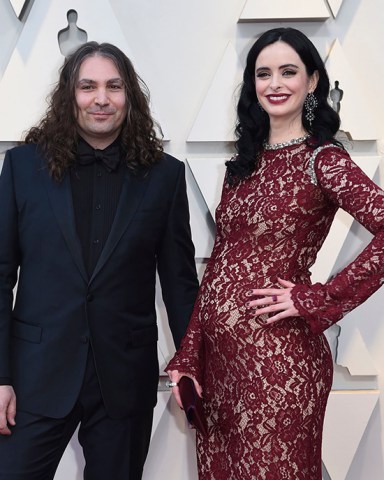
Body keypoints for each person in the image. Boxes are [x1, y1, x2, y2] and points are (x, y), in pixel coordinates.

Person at [166, 27, 384, 480]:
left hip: (280, 367)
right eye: (263, 74)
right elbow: (221, 266)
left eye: (289, 71)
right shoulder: (241, 165)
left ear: (314, 81)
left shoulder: (323, 159)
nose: (275, 83)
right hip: (223, 370)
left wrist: (315, 298)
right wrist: (189, 355)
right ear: (252, 85)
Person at [0, 41, 198, 479]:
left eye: (114, 86)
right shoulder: (20, 168)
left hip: (125, 378)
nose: (101, 98)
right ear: (69, 95)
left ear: (130, 96)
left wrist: (191, 363)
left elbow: (180, 282)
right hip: (35, 377)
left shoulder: (164, 176)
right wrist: (0, 376)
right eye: (88, 86)